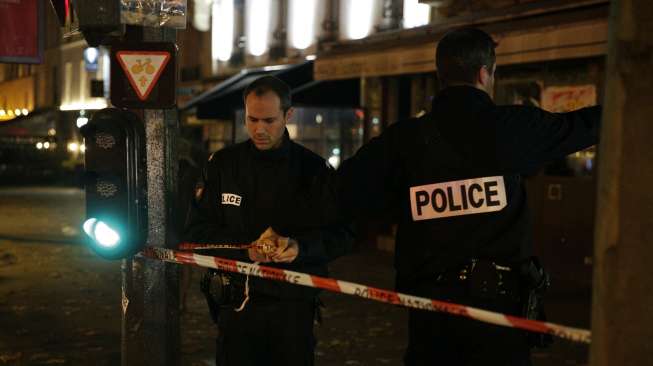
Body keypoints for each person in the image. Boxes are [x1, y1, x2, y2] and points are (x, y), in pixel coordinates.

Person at [332, 28, 602, 365]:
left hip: (430, 312)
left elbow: (344, 190)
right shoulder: (513, 128)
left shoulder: (404, 140)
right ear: (484, 73)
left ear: (439, 75)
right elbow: (583, 127)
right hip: (498, 315)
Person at [184, 75, 352, 366]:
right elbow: (196, 233)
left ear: (288, 115)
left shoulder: (313, 170)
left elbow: (343, 235)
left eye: (269, 121)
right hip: (235, 304)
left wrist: (300, 248)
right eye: (252, 120)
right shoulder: (223, 165)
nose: (259, 129)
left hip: (292, 308)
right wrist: (244, 250)